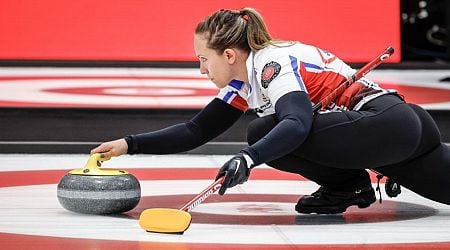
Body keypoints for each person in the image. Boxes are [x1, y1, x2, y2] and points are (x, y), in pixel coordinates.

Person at [91, 7, 450, 214]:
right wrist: (129, 143)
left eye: (203, 59)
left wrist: (248, 159)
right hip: (400, 131)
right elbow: (196, 131)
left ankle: (348, 186)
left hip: (385, 125)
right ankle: (350, 187)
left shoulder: (270, 64)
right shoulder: (243, 83)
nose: (201, 69)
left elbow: (297, 123)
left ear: (229, 55)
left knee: (263, 133)